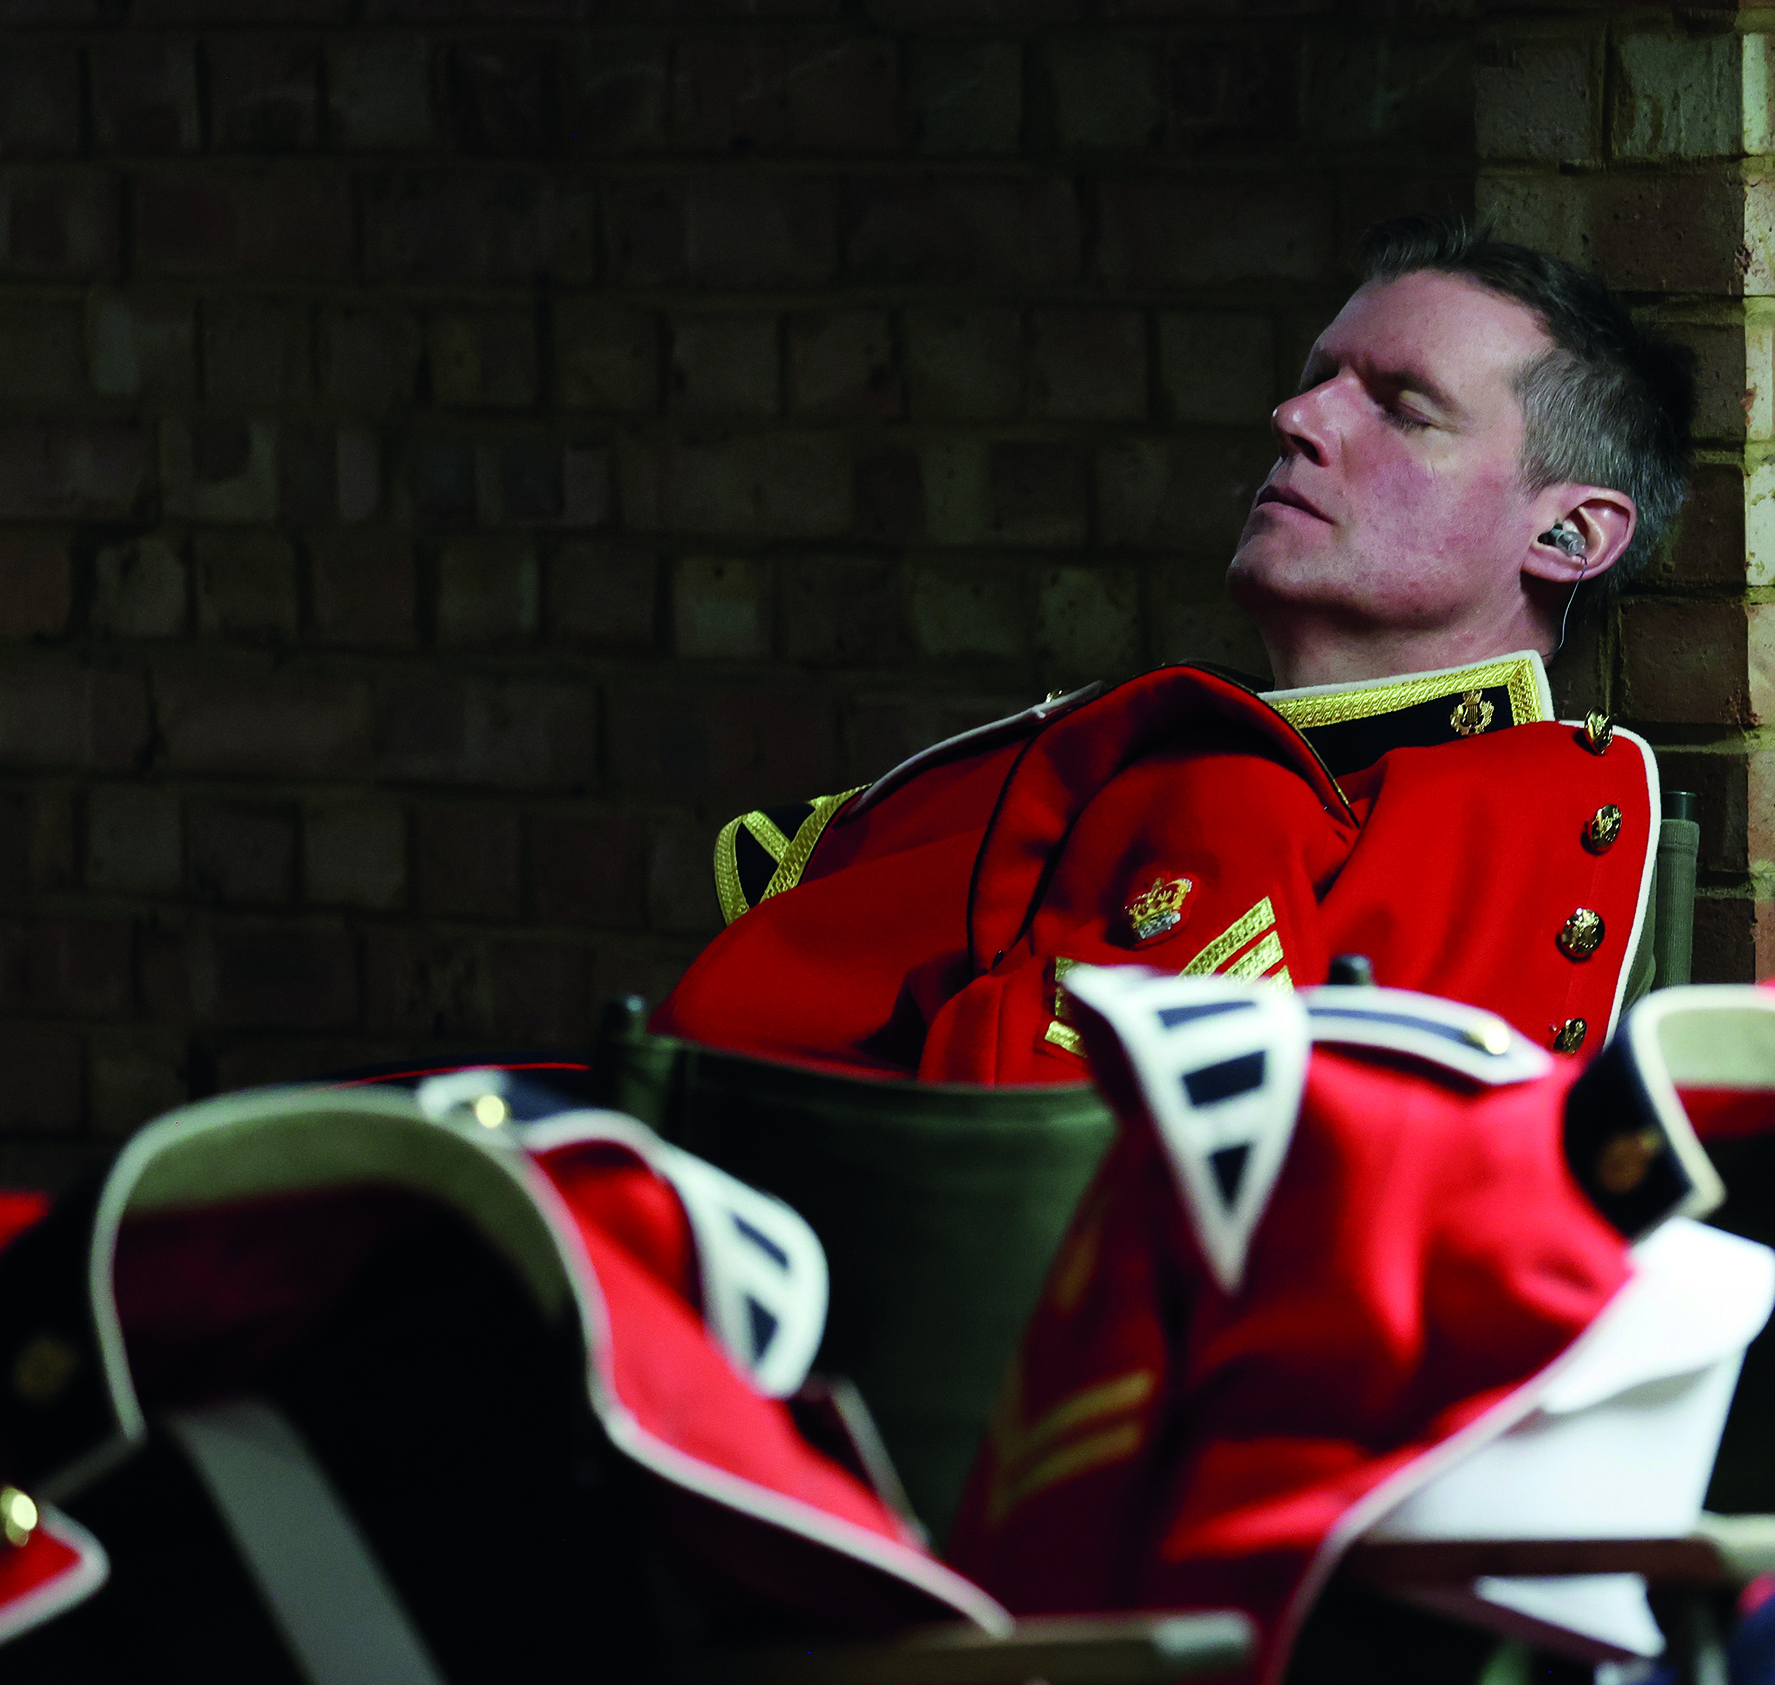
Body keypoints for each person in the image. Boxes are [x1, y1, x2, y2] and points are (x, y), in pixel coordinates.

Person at [656, 215, 1700, 1080]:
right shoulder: (1125, 758)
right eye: (1316, 378)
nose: (1295, 416)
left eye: (1399, 406)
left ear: (1567, 534)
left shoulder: (1510, 816)